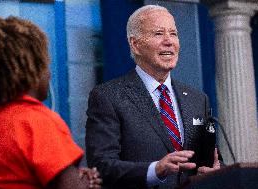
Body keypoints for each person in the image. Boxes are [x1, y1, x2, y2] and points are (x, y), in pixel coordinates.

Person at [85, 5, 222, 189]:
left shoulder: (198, 99)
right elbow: (102, 166)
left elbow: (212, 159)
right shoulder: (108, 97)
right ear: (136, 44)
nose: (169, 41)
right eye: (159, 33)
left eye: (173, 34)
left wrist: (217, 172)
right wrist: (155, 170)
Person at [0, 16, 102, 189]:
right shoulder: (38, 122)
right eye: (45, 65)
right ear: (30, 71)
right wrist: (86, 184)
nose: (49, 74)